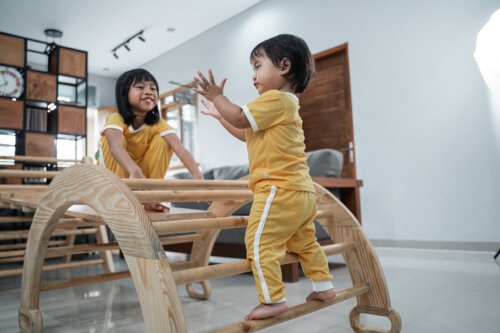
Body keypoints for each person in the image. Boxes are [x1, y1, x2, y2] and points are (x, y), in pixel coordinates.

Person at [194, 34, 336, 320]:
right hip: (301, 193)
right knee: (305, 242)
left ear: (284, 66)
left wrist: (217, 97)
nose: (254, 76)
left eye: (258, 66)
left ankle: (272, 300)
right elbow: (242, 131)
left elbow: (238, 117)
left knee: (259, 244)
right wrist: (221, 116)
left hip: (277, 190)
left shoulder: (275, 99)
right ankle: (323, 285)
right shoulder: (284, 105)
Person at [99, 68, 203, 211]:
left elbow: (181, 149)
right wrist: (134, 171)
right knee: (115, 139)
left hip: (140, 179)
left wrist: (198, 178)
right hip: (113, 181)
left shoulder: (158, 124)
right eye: (140, 87)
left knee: (164, 141)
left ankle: (150, 197)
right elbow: (115, 146)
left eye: (153, 88)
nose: (149, 92)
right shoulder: (116, 119)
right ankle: (122, 196)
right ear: (125, 93)